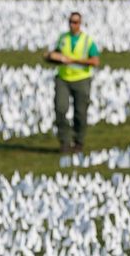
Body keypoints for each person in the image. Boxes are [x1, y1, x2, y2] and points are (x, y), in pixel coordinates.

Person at [43, 11, 100, 153]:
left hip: (81, 80)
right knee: (60, 109)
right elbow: (56, 55)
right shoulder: (63, 39)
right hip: (63, 79)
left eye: (75, 22)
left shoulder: (87, 41)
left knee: (80, 113)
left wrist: (73, 61)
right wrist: (50, 56)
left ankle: (79, 142)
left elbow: (95, 61)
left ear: (80, 24)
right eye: (70, 21)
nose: (72, 24)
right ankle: (64, 142)